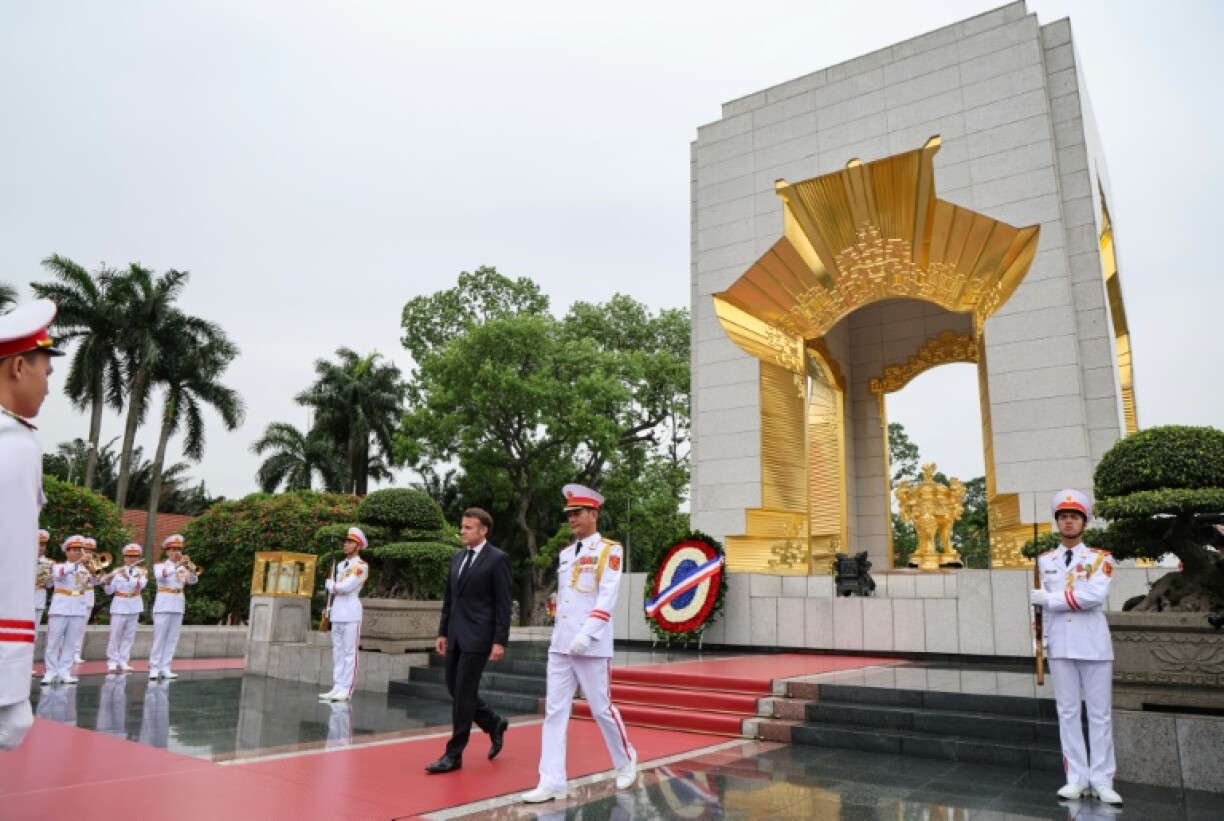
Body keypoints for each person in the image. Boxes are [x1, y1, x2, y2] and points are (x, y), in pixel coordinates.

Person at [522, 485, 637, 804]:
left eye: (577, 513)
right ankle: (551, 780)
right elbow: (566, 597)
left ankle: (626, 760)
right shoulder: (565, 553)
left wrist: (587, 633)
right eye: (569, 514)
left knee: (601, 708)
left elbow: (607, 595)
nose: (571, 519)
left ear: (594, 514)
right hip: (561, 643)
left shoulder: (609, 550)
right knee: (555, 711)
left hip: (591, 644)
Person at [1030, 489, 1122, 806]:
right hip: (1059, 644)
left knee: (1099, 714)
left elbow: (1094, 597)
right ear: (1057, 522)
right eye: (1064, 517)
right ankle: (1076, 778)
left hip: (1093, 643)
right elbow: (1037, 609)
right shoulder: (1044, 561)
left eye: (1074, 517)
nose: (1069, 521)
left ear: (1084, 522)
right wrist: (1039, 640)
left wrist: (1051, 600)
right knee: (1067, 712)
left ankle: (1102, 779)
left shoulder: (1100, 558)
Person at [0, 299, 60, 749]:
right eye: (46, 371)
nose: (47, 387)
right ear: (19, 366)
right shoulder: (15, 445)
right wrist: (10, 689)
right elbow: (10, 562)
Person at [426, 507, 512, 774]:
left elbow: (503, 604)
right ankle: (493, 722)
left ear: (483, 530)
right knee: (455, 689)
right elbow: (449, 600)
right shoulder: (456, 557)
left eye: (468, 527)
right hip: (454, 635)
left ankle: (454, 754)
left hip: (479, 637)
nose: (462, 531)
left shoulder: (498, 559)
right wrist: (442, 632)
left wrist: (500, 640)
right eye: (461, 526)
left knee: (463, 694)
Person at [319, 527, 368, 702]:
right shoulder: (339, 566)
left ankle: (347, 688)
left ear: (358, 546)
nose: (346, 545)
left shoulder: (361, 567)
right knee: (337, 652)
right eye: (345, 542)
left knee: (350, 652)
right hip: (337, 612)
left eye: (350, 542)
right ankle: (337, 686)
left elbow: (346, 587)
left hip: (351, 613)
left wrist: (331, 586)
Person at [149, 533, 197, 680]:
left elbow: (193, 581)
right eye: (174, 549)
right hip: (163, 605)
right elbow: (161, 576)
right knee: (160, 638)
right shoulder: (160, 566)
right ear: (167, 551)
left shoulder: (183, 568)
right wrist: (177, 566)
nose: (177, 552)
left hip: (178, 604)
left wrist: (191, 569)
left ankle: (166, 667)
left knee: (172, 638)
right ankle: (154, 667)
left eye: (179, 548)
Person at [43, 535, 90, 686]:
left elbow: (97, 580)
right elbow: (59, 573)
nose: (78, 553)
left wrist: (97, 571)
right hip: (60, 608)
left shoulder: (84, 569)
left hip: (78, 608)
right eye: (74, 550)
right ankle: (50, 671)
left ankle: (64, 671)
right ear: (67, 552)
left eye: (80, 550)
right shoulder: (59, 566)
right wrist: (77, 563)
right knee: (53, 641)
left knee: (71, 642)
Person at [103, 543, 147, 672]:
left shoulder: (142, 572)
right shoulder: (116, 571)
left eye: (135, 556)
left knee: (129, 635)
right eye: (129, 556)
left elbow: (140, 586)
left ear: (138, 558)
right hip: (119, 604)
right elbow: (109, 591)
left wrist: (127, 577)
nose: (132, 559)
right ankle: (112, 661)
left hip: (134, 604)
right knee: (115, 634)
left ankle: (123, 660)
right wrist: (107, 581)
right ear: (124, 558)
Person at [72, 535, 101, 664]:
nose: (88, 553)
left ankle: (76, 653)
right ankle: (67, 653)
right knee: (72, 628)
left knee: (81, 628)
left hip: (88, 598)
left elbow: (98, 581)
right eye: (86, 550)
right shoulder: (74, 565)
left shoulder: (94, 564)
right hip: (75, 598)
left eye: (90, 551)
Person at [33, 529, 51, 675]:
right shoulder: (23, 560)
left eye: (44, 545)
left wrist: (50, 576)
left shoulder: (48, 563)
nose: (41, 547)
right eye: (39, 544)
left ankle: (28, 664)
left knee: (33, 634)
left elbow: (50, 585)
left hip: (38, 600)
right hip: (21, 600)